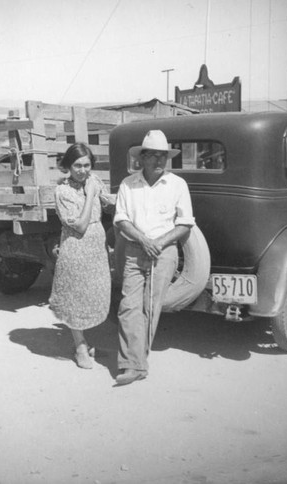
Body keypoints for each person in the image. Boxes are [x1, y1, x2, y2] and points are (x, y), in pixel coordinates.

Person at [113, 129, 195, 385]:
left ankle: (134, 364)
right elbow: (122, 219)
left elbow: (185, 224)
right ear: (142, 158)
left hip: (164, 251)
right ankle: (133, 364)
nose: (160, 161)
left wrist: (157, 242)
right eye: (154, 156)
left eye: (164, 156)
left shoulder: (177, 184)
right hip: (135, 249)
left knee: (150, 306)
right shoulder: (129, 184)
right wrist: (143, 240)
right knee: (129, 306)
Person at [49, 143, 115, 369]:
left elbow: (106, 205)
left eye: (87, 165)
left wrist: (111, 198)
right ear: (68, 165)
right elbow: (80, 225)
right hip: (75, 248)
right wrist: (90, 195)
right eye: (77, 165)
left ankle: (87, 343)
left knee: (92, 295)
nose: (82, 170)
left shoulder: (93, 181)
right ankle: (80, 347)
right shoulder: (62, 191)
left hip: (96, 248)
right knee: (75, 298)